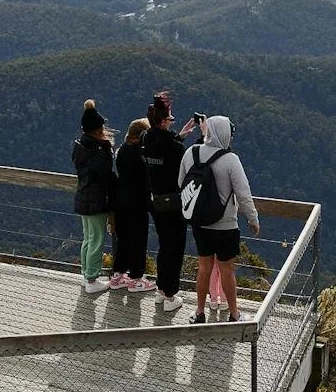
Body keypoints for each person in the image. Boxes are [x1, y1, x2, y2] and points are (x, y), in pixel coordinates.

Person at [180, 114, 259, 323]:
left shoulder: (191, 153)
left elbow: (181, 183)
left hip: (200, 223)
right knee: (227, 270)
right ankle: (234, 313)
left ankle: (199, 312)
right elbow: (243, 193)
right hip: (226, 226)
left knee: (204, 267)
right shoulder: (230, 159)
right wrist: (253, 218)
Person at [140, 92, 198, 313]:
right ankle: (170, 294)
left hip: (155, 200)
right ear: (164, 121)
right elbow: (186, 168)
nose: (172, 122)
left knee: (164, 244)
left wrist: (179, 136)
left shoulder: (146, 138)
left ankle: (160, 289)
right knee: (176, 247)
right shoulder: (174, 148)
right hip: (174, 202)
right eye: (171, 119)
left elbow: (162, 151)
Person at [71, 99, 115, 296]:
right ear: (98, 129)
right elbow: (106, 175)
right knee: (97, 239)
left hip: (82, 197)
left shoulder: (80, 147)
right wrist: (107, 150)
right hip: (96, 200)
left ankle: (86, 274)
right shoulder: (98, 151)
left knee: (88, 238)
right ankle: (92, 278)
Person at [111, 117, 156, 295]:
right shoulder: (140, 154)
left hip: (120, 200)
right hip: (137, 202)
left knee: (123, 238)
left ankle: (118, 275)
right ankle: (136, 278)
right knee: (138, 240)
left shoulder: (121, 151)